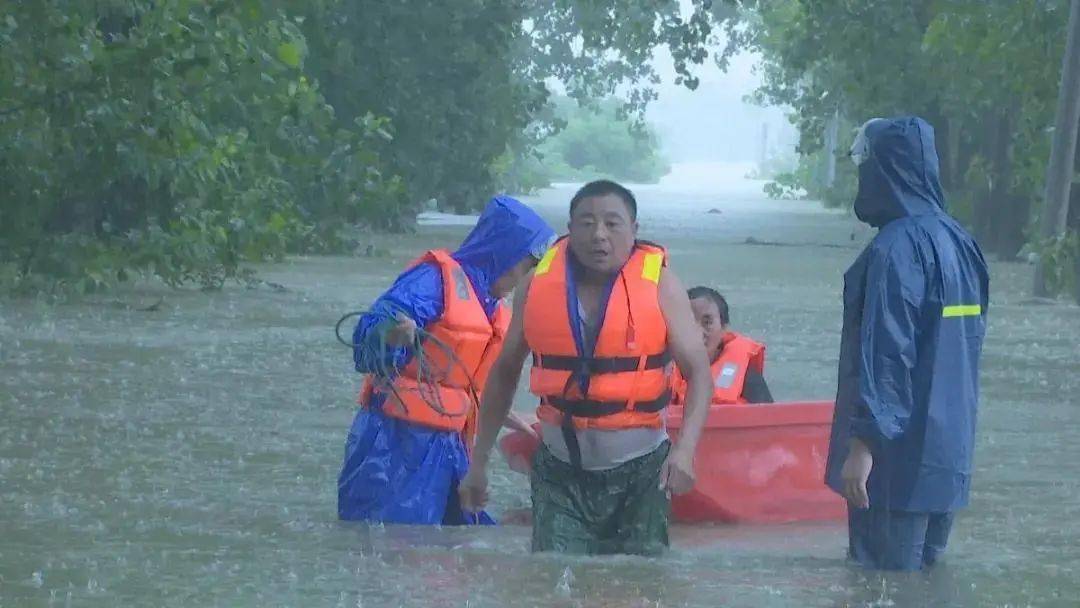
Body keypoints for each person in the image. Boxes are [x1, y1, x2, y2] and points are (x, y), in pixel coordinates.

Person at [458, 180, 714, 555]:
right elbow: (504, 371)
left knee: (639, 587)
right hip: (559, 473)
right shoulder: (536, 285)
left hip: (641, 475)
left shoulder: (661, 285)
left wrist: (686, 451)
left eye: (613, 223)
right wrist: (477, 462)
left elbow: (700, 375)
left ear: (634, 231)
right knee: (552, 583)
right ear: (569, 228)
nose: (599, 235)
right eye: (586, 223)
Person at [825, 117, 989, 571]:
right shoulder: (962, 244)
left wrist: (862, 449)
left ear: (884, 171)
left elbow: (887, 357)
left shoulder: (894, 251)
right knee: (920, 585)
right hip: (947, 458)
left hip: (895, 461)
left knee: (879, 583)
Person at [338, 195, 555, 525]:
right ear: (506, 257)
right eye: (527, 268)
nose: (525, 280)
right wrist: (392, 334)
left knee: (468, 537)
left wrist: (513, 422)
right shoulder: (432, 282)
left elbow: (466, 385)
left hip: (450, 446)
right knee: (398, 545)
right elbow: (369, 330)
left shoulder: (491, 306)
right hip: (394, 445)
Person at [671, 286, 774, 405]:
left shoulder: (748, 378)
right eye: (689, 322)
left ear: (724, 329)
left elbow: (772, 418)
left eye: (707, 322)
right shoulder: (660, 372)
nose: (697, 332)